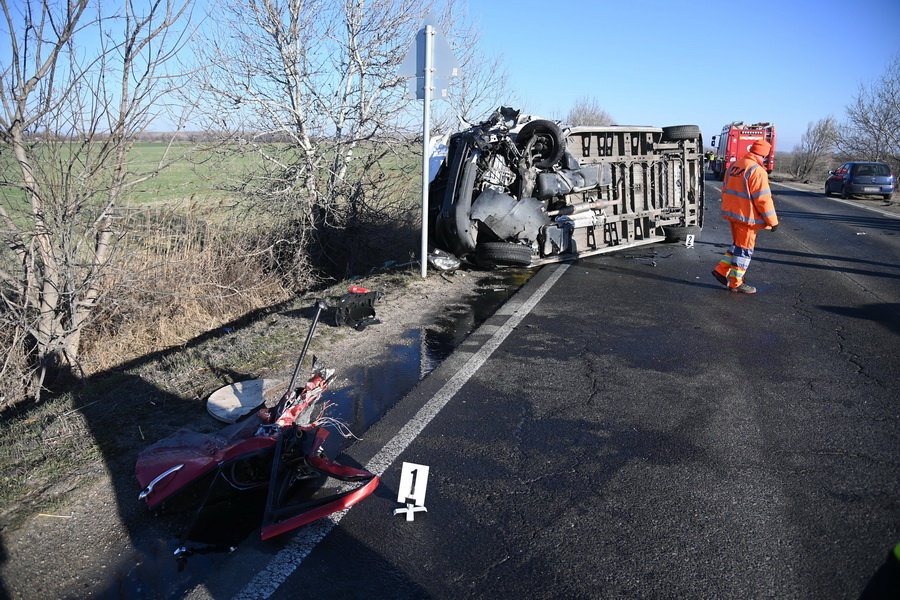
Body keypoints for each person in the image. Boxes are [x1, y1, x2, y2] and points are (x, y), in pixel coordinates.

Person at [711, 139, 778, 294]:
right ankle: (736, 283)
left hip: (734, 214)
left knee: (738, 246)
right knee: (744, 251)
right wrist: (773, 221)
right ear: (764, 155)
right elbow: (763, 199)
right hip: (747, 218)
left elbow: (726, 189)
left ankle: (721, 270)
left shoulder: (735, 166)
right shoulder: (757, 170)